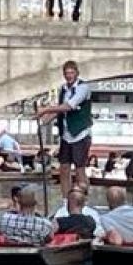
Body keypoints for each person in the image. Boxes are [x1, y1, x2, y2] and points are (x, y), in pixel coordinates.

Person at [36, 60, 93, 196]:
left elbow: (69, 106)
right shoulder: (63, 89)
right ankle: (66, 199)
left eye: (71, 73)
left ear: (76, 73)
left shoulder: (83, 88)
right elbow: (60, 110)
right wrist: (43, 122)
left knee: (79, 169)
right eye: (66, 73)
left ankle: (82, 198)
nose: (69, 76)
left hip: (80, 133)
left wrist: (45, 109)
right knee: (64, 167)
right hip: (66, 134)